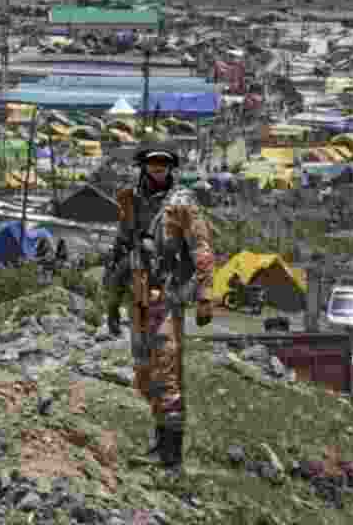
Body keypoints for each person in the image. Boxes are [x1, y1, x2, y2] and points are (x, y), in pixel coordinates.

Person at [117, 144, 216, 470]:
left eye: (163, 163)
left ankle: (171, 455)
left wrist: (204, 296)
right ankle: (160, 440)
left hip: (168, 296)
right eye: (152, 162)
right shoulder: (131, 201)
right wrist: (111, 301)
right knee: (145, 376)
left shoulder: (182, 203)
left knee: (168, 373)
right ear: (143, 165)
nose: (158, 167)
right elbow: (120, 249)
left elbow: (201, 247)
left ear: (171, 166)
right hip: (139, 296)